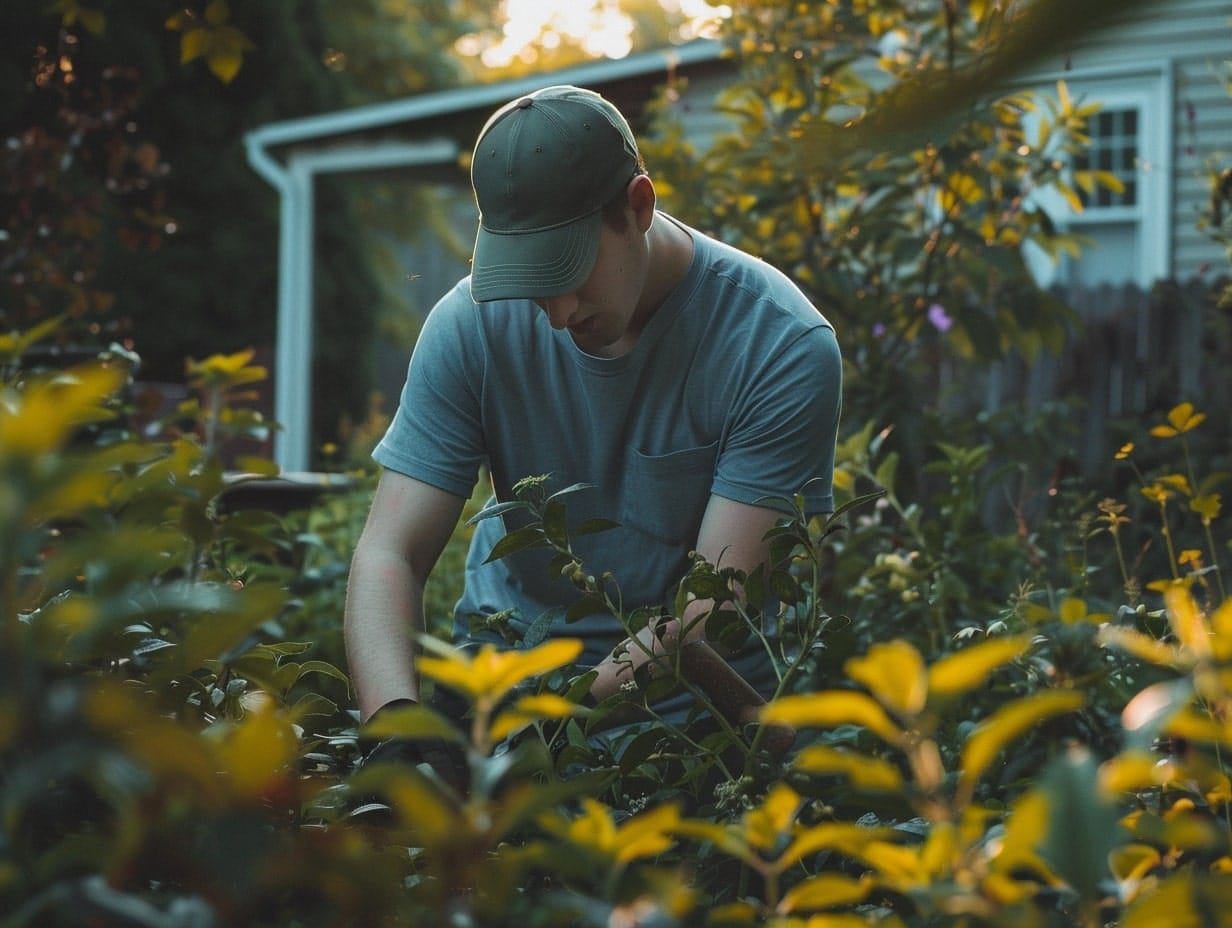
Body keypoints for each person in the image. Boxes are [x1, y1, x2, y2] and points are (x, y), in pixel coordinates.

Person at [344, 84, 842, 765]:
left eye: (569, 271)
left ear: (638, 206)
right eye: (531, 277)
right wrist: (400, 730)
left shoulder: (777, 346)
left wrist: (541, 726)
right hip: (501, 681)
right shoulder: (469, 328)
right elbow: (387, 554)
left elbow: (707, 622)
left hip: (687, 732)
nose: (554, 312)